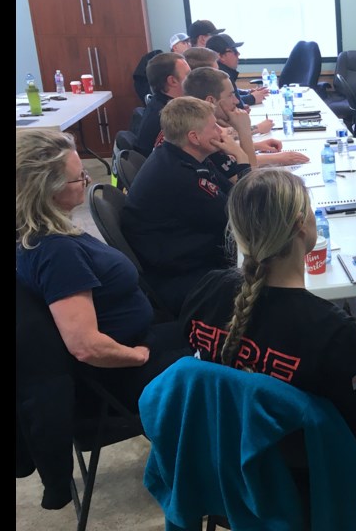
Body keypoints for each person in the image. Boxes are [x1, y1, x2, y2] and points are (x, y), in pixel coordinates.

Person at [181, 169, 356, 529]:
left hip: (228, 459)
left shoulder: (206, 291)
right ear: (300, 225)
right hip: (310, 477)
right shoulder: (328, 329)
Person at [16, 129, 190, 410]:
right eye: (79, 177)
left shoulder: (45, 235)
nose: (87, 181)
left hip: (139, 342)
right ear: (48, 188)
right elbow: (86, 346)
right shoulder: (56, 252)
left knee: (218, 324)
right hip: (125, 374)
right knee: (232, 351)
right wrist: (138, 356)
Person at [122, 97, 252, 316]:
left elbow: (233, 195)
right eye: (214, 127)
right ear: (194, 137)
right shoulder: (180, 176)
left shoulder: (184, 156)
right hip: (184, 278)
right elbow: (245, 215)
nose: (222, 132)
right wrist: (241, 158)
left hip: (186, 257)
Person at [182, 66, 310, 168]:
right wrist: (244, 132)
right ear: (210, 101)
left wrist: (257, 145)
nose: (237, 101)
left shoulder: (206, 125)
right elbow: (248, 179)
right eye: (230, 95)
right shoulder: (203, 135)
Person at [134, 52, 191, 157]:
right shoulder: (171, 116)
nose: (192, 79)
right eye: (188, 75)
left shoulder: (159, 102)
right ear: (172, 81)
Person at [206, 33, 269, 109]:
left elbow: (233, 95)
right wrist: (253, 98)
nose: (238, 54)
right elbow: (236, 103)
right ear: (221, 56)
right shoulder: (222, 76)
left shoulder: (224, 71)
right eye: (234, 51)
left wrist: (248, 92)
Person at [132, 32, 194, 102]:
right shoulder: (163, 64)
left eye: (189, 42)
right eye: (184, 42)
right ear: (174, 47)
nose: (189, 44)